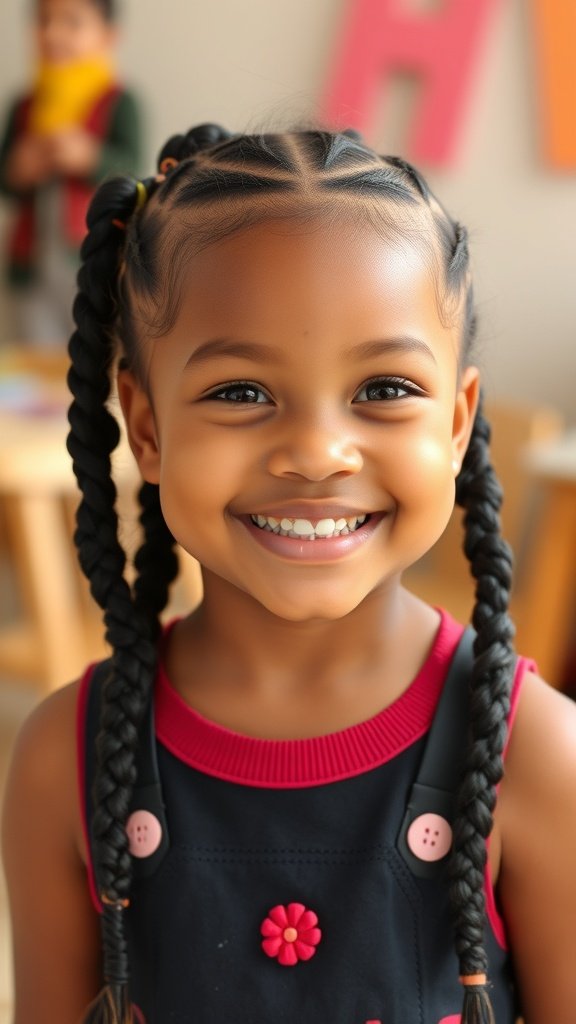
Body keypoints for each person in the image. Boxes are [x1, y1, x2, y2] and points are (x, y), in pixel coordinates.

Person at [3, 124, 576, 1024]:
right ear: (146, 430)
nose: (316, 453)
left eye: (384, 389)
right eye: (241, 393)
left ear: (458, 425)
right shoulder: (57, 763)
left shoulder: (538, 758)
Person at [0, 0, 141, 346]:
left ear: (109, 35)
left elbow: (133, 173)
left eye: (72, 22)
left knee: (94, 344)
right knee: (33, 347)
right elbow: (5, 181)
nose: (53, 33)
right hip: (31, 259)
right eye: (43, 22)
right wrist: (18, 169)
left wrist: (90, 159)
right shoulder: (24, 105)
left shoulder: (119, 102)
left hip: (91, 258)